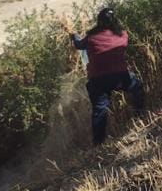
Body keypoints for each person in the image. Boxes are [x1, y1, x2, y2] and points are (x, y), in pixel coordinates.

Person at [60, 8, 145, 146]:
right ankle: (140, 115)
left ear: (99, 22)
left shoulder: (91, 38)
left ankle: (98, 142)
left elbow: (78, 45)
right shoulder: (123, 35)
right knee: (137, 87)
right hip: (121, 77)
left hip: (98, 80)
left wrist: (72, 34)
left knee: (100, 109)